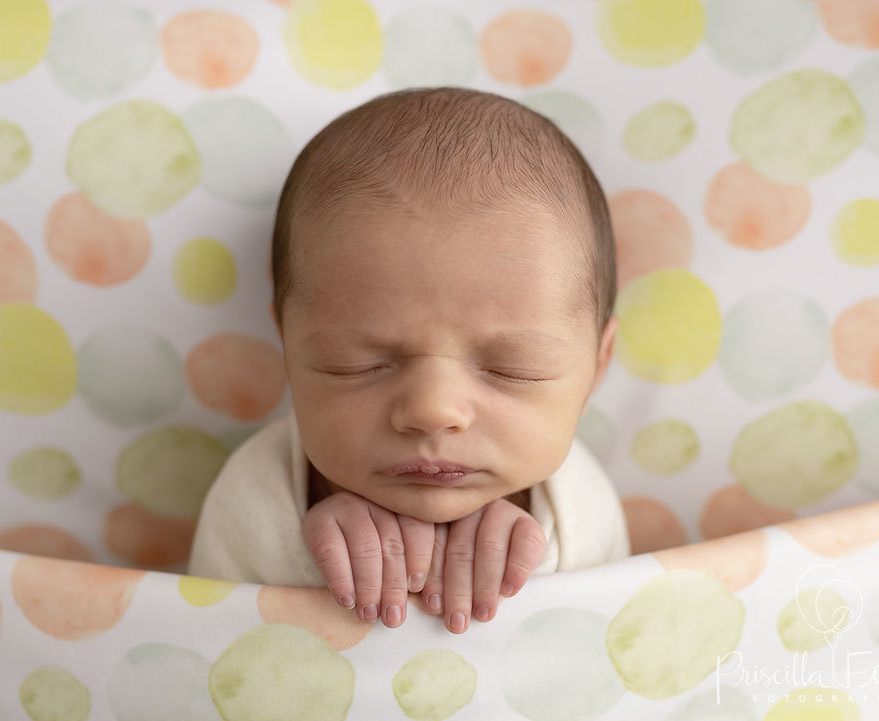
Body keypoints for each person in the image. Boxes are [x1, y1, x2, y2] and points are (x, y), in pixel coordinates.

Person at [188, 86, 629, 634]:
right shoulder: (257, 490)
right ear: (288, 347)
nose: (432, 410)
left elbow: (606, 640)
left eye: (513, 368)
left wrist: (527, 557)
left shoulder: (579, 504)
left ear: (596, 367)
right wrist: (304, 556)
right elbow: (207, 635)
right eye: (357, 363)